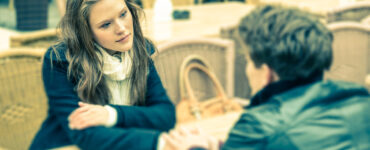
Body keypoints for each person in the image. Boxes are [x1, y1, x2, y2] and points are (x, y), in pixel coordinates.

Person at [162, 5, 370, 150]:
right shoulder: (360, 100)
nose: (248, 70)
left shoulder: (257, 128)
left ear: (267, 72)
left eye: (250, 62)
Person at [30, 0, 175, 149]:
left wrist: (112, 115)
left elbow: (166, 115)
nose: (121, 28)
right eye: (106, 24)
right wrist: (159, 143)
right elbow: (85, 134)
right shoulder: (60, 60)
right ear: (86, 32)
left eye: (123, 14)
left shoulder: (142, 49)